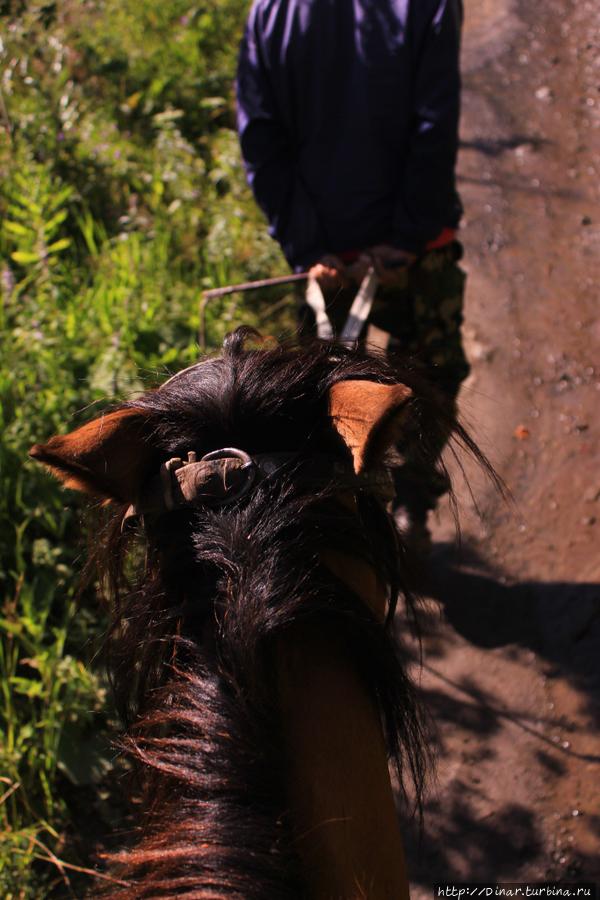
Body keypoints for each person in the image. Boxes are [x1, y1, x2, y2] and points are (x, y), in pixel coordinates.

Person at [236, 0, 469, 553]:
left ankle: (339, 516)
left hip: (331, 257)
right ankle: (407, 504)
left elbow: (262, 137)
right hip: (410, 256)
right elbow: (434, 124)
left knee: (319, 393)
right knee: (429, 377)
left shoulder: (270, 13)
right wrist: (405, 241)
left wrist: (308, 246)